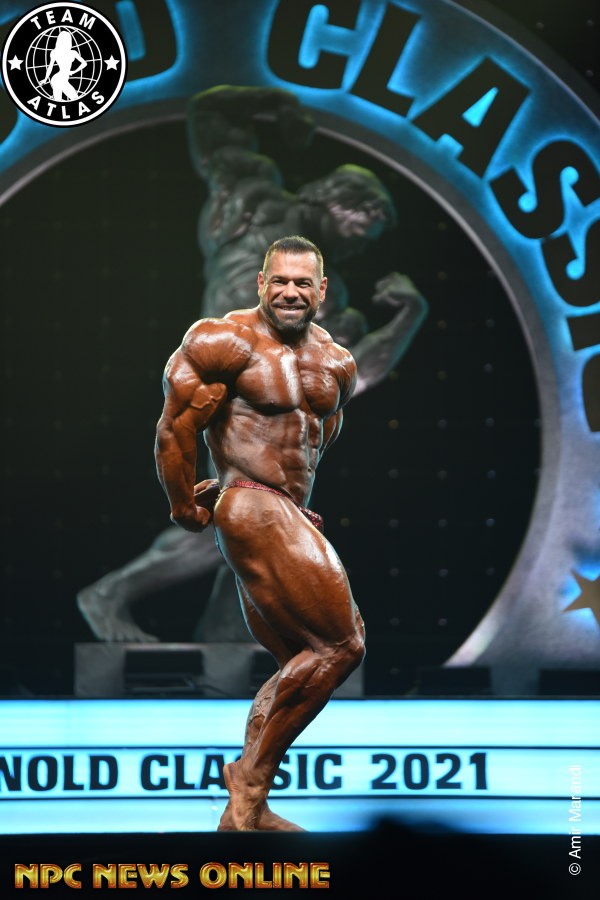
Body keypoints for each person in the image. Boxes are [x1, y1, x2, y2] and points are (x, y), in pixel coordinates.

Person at [77, 85, 428, 644]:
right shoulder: (252, 197)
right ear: (344, 202)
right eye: (366, 228)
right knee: (240, 516)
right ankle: (111, 594)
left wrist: (409, 316)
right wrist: (275, 105)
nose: (363, 244)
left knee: (261, 526)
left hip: (265, 406)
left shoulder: (333, 303)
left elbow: (354, 375)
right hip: (222, 382)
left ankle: (224, 639)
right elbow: (209, 112)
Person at [155, 236, 365, 831]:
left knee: (302, 658)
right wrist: (185, 505)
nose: (290, 292)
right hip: (252, 505)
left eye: (302, 283)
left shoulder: (338, 362)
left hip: (285, 511)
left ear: (321, 291)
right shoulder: (224, 341)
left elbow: (316, 441)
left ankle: (246, 813)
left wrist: (286, 506)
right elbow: (174, 430)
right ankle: (248, 781)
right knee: (342, 646)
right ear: (260, 284)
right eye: (280, 281)